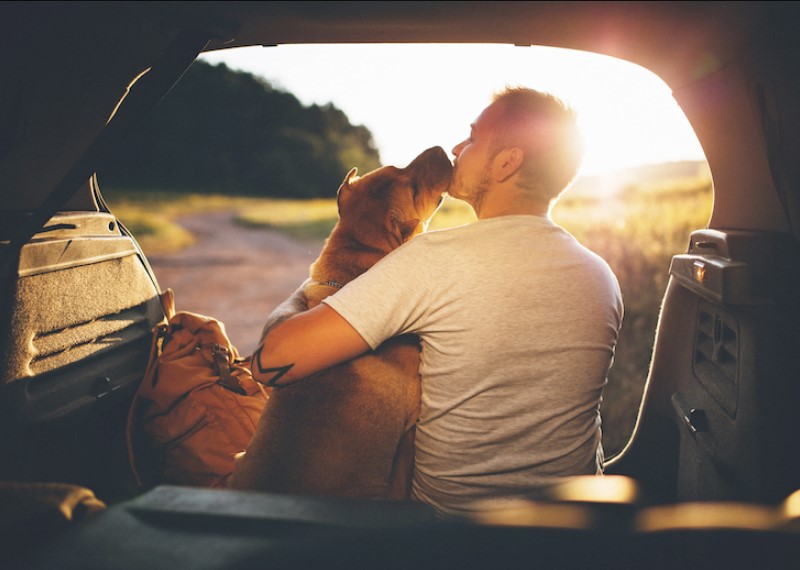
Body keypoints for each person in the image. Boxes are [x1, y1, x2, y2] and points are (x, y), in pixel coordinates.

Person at [251, 86, 624, 518]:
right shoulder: (601, 275)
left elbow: (269, 361)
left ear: (507, 161)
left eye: (472, 139)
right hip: (572, 530)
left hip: (452, 534)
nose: (456, 148)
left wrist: (310, 292)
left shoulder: (432, 260)